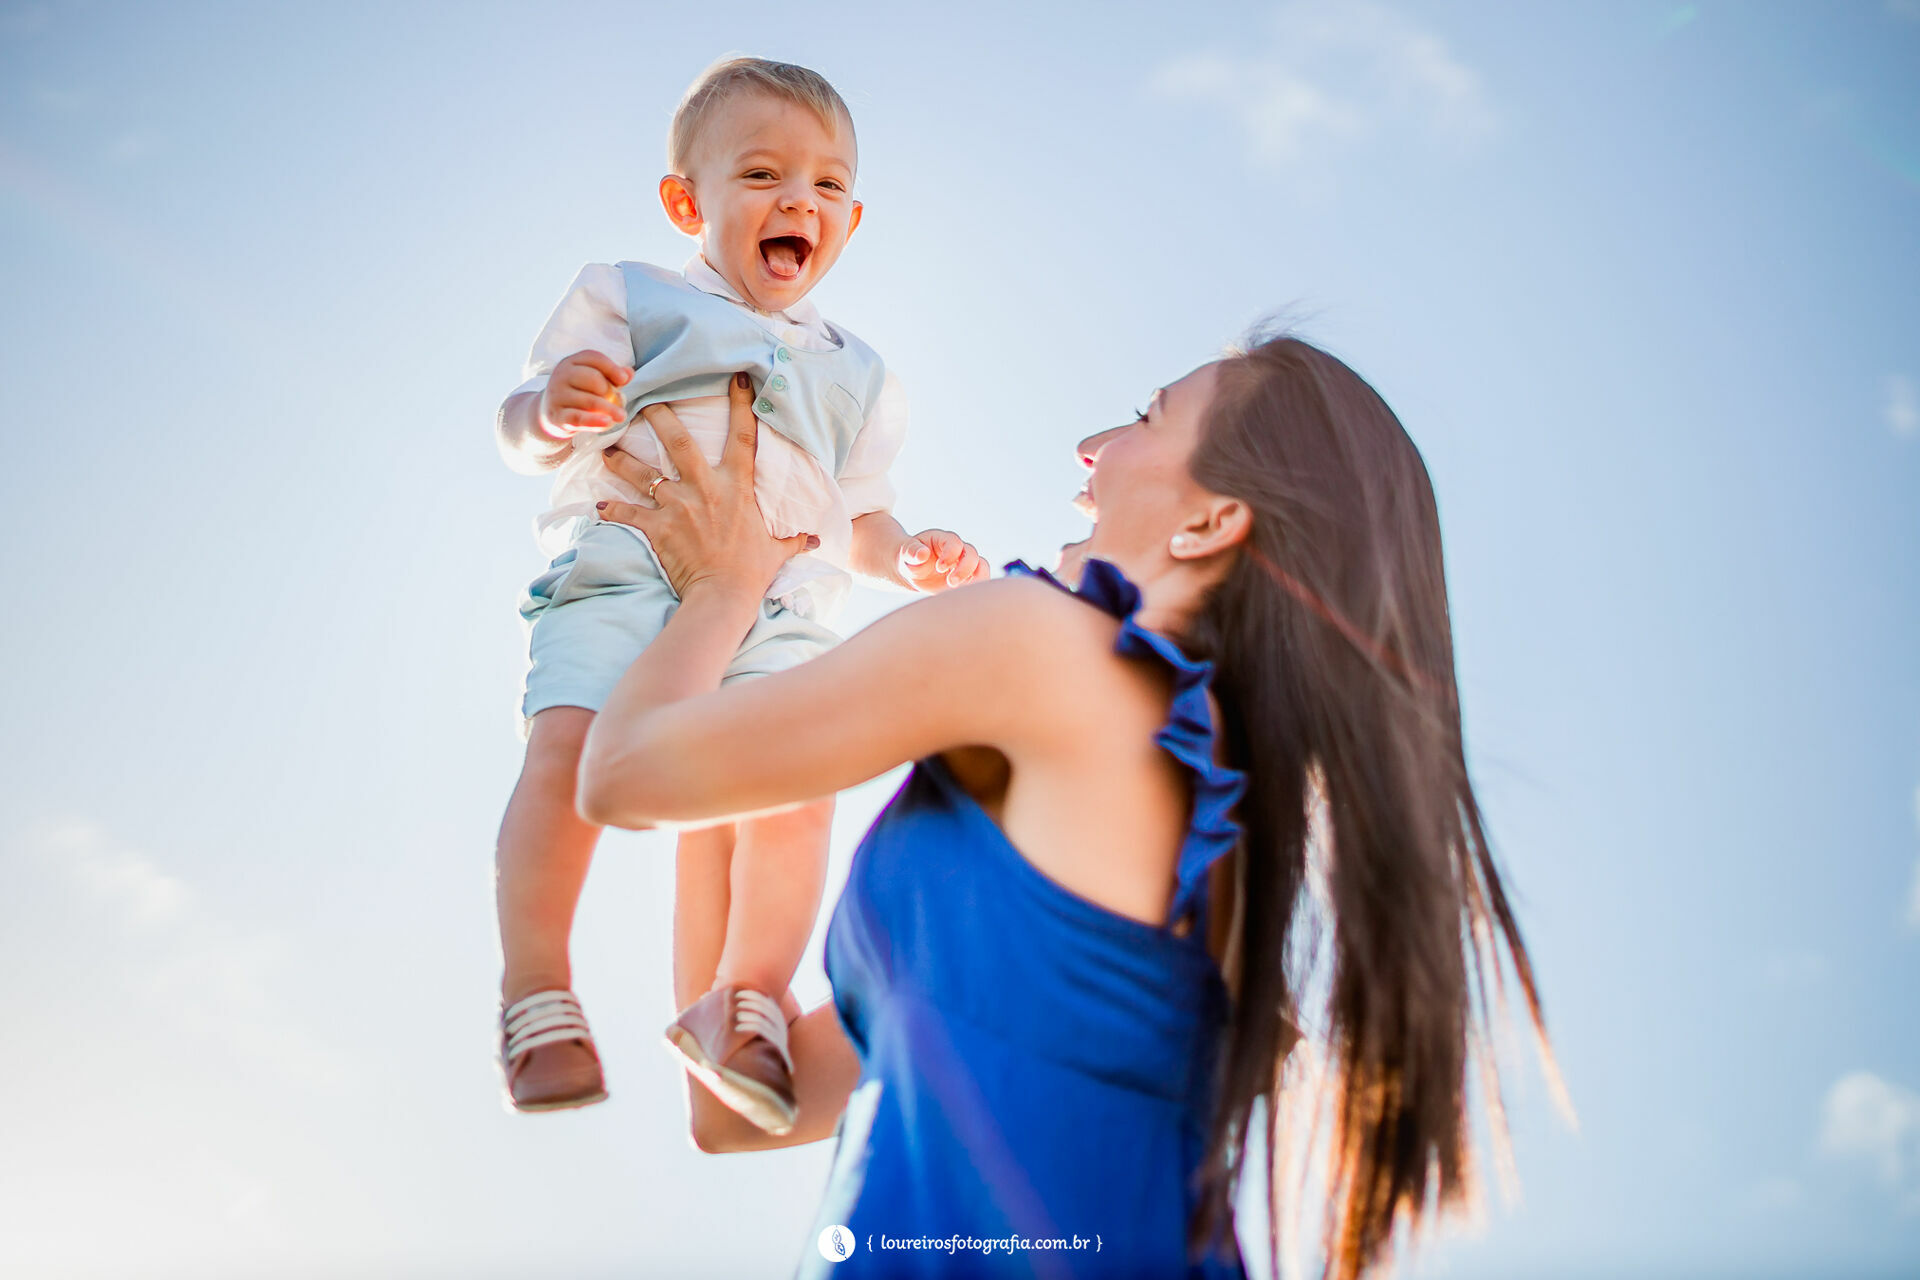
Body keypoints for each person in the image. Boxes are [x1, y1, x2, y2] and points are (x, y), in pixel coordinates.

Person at [578, 336, 1551, 1279]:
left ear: (1211, 522)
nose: (1094, 445)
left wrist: (720, 589)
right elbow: (746, 1109)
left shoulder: (1040, 646)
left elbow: (618, 771)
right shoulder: (1233, 846)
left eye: (1146, 415)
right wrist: (737, 687)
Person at [491, 56, 986, 1120]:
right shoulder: (635, 295)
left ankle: (746, 995)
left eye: (824, 185)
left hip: (778, 607)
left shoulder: (862, 373)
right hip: (627, 565)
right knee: (569, 750)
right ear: (688, 202)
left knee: (799, 791)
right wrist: (551, 409)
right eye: (762, 175)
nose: (797, 199)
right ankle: (538, 987)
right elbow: (518, 421)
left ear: (849, 221)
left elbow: (859, 515)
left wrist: (907, 557)